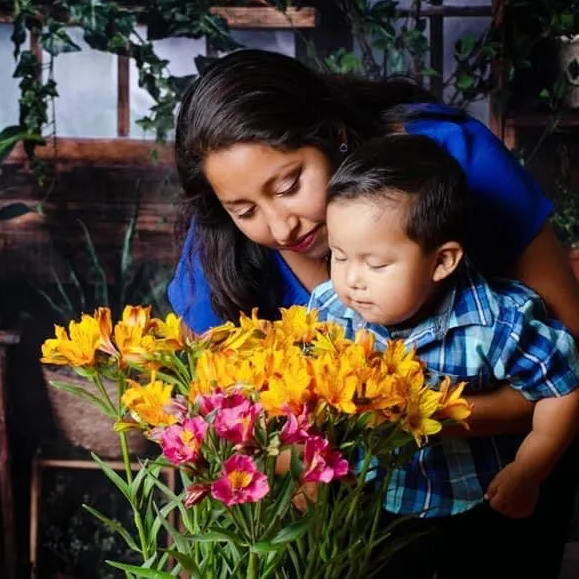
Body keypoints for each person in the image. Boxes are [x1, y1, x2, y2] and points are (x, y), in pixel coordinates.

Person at [168, 48, 579, 577]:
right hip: (355, 502)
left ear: (335, 135)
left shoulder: (447, 158)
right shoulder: (219, 246)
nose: (280, 226)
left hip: (506, 479)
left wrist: (402, 416)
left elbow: (567, 358)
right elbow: (209, 417)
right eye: (244, 210)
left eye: (290, 185)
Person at [307, 134, 579, 577]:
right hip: (377, 499)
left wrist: (530, 468)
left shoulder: (495, 325)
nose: (351, 280)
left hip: (473, 501)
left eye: (375, 265)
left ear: (442, 261)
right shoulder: (328, 312)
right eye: (338, 256)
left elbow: (564, 386)